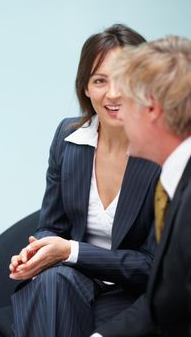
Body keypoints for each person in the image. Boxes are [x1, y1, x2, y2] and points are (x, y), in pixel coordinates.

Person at [8, 24, 161, 337]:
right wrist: (38, 251)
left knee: (54, 305)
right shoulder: (68, 138)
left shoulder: (162, 153)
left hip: (134, 292)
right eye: (100, 80)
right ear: (86, 88)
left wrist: (69, 251)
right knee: (51, 283)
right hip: (75, 280)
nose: (113, 93)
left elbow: (153, 266)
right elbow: (52, 225)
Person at [93, 35, 191, 336]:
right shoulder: (176, 182)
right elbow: (166, 304)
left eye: (126, 102)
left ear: (151, 110)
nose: (118, 114)